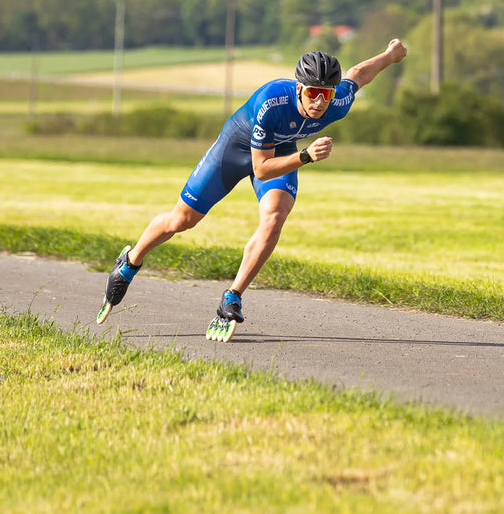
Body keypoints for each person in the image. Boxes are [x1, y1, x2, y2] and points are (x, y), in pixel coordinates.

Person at [95, 38, 408, 330]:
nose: (319, 102)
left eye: (326, 94)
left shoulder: (338, 101)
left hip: (283, 148)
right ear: (299, 89)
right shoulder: (271, 102)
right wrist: (306, 157)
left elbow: (358, 75)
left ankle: (232, 296)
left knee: (275, 217)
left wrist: (389, 56)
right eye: (313, 93)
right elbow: (261, 169)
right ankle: (130, 261)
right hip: (237, 149)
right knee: (182, 219)